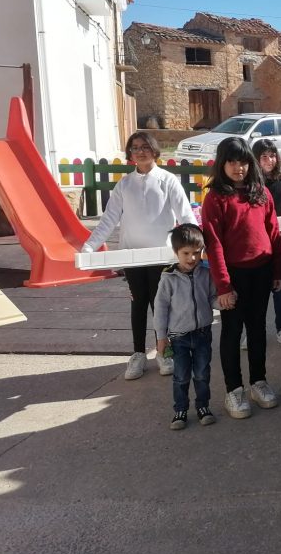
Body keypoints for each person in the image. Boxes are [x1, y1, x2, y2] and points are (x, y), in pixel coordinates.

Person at [82, 131, 196, 381]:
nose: (140, 151)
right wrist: (89, 247)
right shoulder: (124, 185)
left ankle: (164, 352)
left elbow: (186, 216)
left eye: (145, 147)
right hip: (132, 257)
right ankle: (137, 354)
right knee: (138, 303)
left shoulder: (168, 180)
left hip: (161, 257)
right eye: (135, 148)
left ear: (154, 150)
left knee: (161, 305)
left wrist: (194, 247)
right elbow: (108, 220)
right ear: (130, 153)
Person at [201, 137, 281, 419]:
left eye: (244, 162)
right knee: (232, 331)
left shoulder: (261, 193)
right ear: (221, 164)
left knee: (258, 329)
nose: (239, 168)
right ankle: (234, 390)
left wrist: (277, 271)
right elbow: (214, 244)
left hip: (261, 272)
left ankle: (258, 382)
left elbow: (273, 234)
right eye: (232, 162)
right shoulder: (215, 198)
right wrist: (224, 286)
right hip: (233, 276)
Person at [153, 224, 217, 429]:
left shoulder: (206, 273)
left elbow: (211, 298)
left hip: (203, 333)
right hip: (178, 337)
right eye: (186, 253)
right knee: (181, 376)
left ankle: (203, 406)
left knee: (202, 374)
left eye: (196, 253)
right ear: (176, 252)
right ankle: (180, 410)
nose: (192, 258)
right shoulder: (168, 278)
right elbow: (160, 309)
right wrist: (161, 337)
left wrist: (223, 302)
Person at [252, 139, 281, 349]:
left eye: (272, 156)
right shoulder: (251, 184)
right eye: (264, 156)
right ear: (255, 159)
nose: (269, 160)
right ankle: (253, 330)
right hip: (258, 244)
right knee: (257, 290)